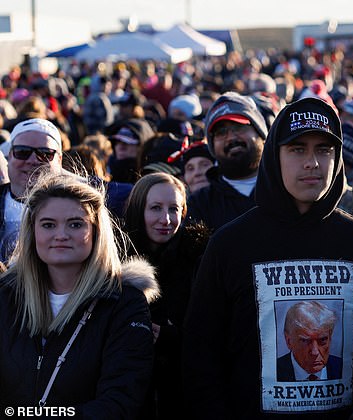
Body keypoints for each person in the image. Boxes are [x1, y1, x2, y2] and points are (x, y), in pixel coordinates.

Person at [182, 97, 353, 418]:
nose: (312, 162)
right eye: (297, 149)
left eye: (324, 149)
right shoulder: (230, 244)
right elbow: (201, 355)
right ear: (274, 156)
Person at [0, 171, 158, 417]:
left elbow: (121, 401)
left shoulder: (123, 302)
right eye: (48, 224)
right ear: (33, 231)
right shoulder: (7, 296)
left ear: (95, 231)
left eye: (75, 224)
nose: (61, 235)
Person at [124, 172, 209, 419]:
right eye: (155, 208)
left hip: (185, 390)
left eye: (174, 209)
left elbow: (212, 328)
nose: (166, 219)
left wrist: (173, 336)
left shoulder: (200, 258)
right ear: (139, 208)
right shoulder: (113, 258)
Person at [186, 92, 268, 231]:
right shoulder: (200, 203)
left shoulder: (288, 187)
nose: (231, 138)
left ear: (260, 133)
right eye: (221, 132)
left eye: (239, 127)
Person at [0, 118, 64, 263]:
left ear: (59, 160)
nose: (32, 160)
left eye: (45, 154)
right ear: (9, 156)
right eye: (22, 152)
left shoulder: (78, 208)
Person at [277, 301, 343, 382]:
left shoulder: (344, 367)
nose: (315, 352)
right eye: (305, 341)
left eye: (322, 340)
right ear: (289, 341)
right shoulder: (273, 371)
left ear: (330, 338)